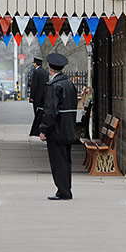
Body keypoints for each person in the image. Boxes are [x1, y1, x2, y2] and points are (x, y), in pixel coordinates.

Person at [38, 52, 78, 200]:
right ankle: (66, 188)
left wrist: (44, 130)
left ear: (50, 68)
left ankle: (63, 191)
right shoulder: (69, 84)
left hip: (57, 130)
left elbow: (50, 111)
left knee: (58, 162)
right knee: (66, 160)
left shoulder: (53, 86)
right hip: (68, 129)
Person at [28, 57, 48, 136]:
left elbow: (34, 85)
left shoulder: (36, 72)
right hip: (44, 96)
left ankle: (37, 129)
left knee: (37, 114)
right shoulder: (45, 72)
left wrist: (31, 96)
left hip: (37, 97)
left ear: (35, 64)